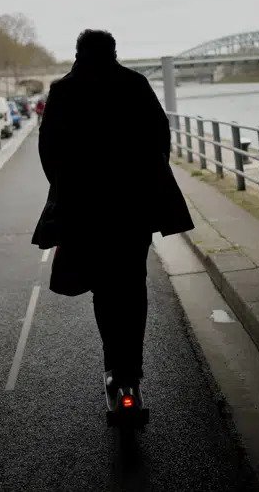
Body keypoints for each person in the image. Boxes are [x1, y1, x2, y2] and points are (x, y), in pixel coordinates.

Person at [32, 29, 193, 401]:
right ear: (114, 51)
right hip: (133, 208)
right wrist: (149, 181)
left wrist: (64, 188)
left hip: (84, 211)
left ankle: (113, 370)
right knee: (133, 285)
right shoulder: (135, 84)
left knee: (103, 289)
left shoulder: (64, 91)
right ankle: (131, 372)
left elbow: (48, 150)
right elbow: (160, 137)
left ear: (78, 53)